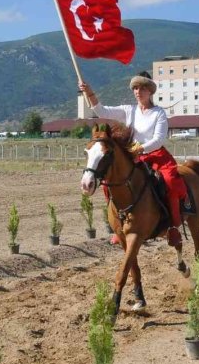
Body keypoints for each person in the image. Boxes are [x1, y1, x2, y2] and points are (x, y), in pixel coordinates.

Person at [78, 72, 189, 248]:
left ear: (150, 91)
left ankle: (173, 228)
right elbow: (102, 111)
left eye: (142, 88)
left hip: (156, 155)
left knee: (169, 181)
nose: (138, 91)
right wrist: (89, 92)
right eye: (136, 88)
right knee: (109, 181)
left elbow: (159, 139)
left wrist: (141, 148)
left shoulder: (158, 113)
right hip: (133, 156)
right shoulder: (129, 110)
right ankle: (118, 226)